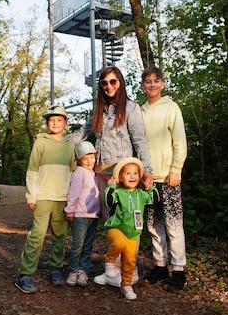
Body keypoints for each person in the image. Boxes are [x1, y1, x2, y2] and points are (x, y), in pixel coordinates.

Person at [66, 66, 154, 220]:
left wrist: (147, 171)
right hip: (101, 172)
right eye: (104, 83)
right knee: (108, 217)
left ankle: (130, 246)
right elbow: (83, 132)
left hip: (121, 171)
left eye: (113, 82)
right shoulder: (100, 110)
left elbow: (140, 140)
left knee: (127, 216)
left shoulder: (131, 108)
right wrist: (60, 140)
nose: (109, 86)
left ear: (120, 82)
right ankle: (112, 245)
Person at [14, 105, 76, 294]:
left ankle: (55, 269)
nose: (55, 122)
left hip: (62, 198)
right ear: (47, 123)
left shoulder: (69, 145)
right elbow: (32, 170)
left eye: (59, 119)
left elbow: (73, 172)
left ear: (65, 123)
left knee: (60, 235)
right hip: (43, 197)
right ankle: (24, 274)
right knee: (37, 235)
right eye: (51, 119)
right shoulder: (40, 142)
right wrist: (31, 195)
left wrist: (72, 200)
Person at [140, 67, 188, 291]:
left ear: (162, 84)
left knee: (173, 224)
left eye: (156, 81)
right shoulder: (139, 112)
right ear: (142, 85)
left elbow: (179, 140)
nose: (152, 85)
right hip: (148, 178)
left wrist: (176, 169)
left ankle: (179, 269)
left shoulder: (171, 108)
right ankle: (160, 266)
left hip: (168, 177)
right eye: (148, 81)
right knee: (153, 224)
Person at [103, 157, 160, 300]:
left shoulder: (141, 194)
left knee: (130, 260)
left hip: (133, 232)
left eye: (135, 173)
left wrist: (150, 187)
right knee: (119, 243)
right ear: (120, 177)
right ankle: (109, 261)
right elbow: (108, 202)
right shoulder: (118, 192)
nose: (132, 176)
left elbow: (154, 201)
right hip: (116, 228)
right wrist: (110, 186)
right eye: (128, 174)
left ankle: (126, 285)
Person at [64, 141, 100, 287]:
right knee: (78, 245)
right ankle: (73, 271)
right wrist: (70, 210)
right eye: (85, 159)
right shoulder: (79, 172)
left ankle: (83, 272)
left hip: (93, 216)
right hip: (80, 214)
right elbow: (73, 193)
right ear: (79, 160)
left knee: (87, 245)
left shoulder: (94, 174)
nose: (89, 161)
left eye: (91, 157)